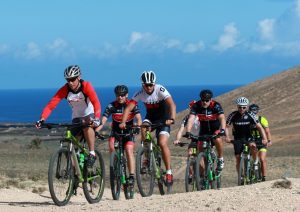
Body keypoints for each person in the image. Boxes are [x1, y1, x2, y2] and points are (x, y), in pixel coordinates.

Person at [36, 65, 101, 168]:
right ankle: (76, 176)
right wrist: (42, 118)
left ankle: (92, 153)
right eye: (68, 80)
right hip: (76, 117)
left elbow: (96, 103)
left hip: (89, 114)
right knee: (71, 145)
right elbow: (51, 105)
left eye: (72, 79)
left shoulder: (86, 86)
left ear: (78, 77)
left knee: (86, 127)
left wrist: (97, 118)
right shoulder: (65, 89)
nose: (70, 82)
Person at [119, 70, 176, 186]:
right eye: (146, 85)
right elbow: (128, 108)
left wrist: (172, 118)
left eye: (151, 85)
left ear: (154, 84)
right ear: (142, 85)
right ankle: (146, 157)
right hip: (150, 118)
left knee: (162, 143)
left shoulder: (160, 89)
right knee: (143, 128)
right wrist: (123, 122)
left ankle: (169, 172)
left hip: (164, 119)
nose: (149, 87)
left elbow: (171, 104)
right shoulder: (140, 93)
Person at [96, 85, 142, 186]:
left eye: (122, 95)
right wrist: (96, 131)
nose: (120, 97)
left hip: (128, 133)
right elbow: (103, 121)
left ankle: (131, 176)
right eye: (118, 95)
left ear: (127, 95)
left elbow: (138, 118)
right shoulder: (111, 106)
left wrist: (138, 127)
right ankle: (116, 165)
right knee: (112, 147)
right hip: (115, 133)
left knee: (129, 150)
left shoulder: (132, 105)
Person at [185, 89, 226, 173]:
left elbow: (222, 117)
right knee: (200, 151)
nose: (204, 102)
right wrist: (188, 131)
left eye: (207, 100)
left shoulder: (216, 105)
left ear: (210, 99)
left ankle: (220, 159)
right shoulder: (196, 106)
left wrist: (222, 129)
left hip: (215, 129)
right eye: (203, 100)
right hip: (203, 131)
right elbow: (191, 119)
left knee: (217, 139)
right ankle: (202, 176)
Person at [225, 97, 267, 174]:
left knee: (253, 146)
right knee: (238, 158)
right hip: (237, 138)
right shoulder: (233, 115)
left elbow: (260, 127)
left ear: (247, 107)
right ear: (237, 106)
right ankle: (240, 177)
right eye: (240, 107)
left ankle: (255, 161)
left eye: (244, 107)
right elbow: (226, 127)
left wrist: (264, 138)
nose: (242, 109)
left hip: (249, 137)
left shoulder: (251, 115)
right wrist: (227, 137)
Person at [249, 103, 272, 181]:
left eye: (255, 110)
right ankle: (248, 173)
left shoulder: (262, 119)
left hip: (261, 141)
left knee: (262, 159)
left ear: (258, 111)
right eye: (252, 110)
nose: (254, 111)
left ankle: (264, 177)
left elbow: (267, 131)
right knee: (248, 157)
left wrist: (269, 140)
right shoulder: (248, 119)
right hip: (251, 140)